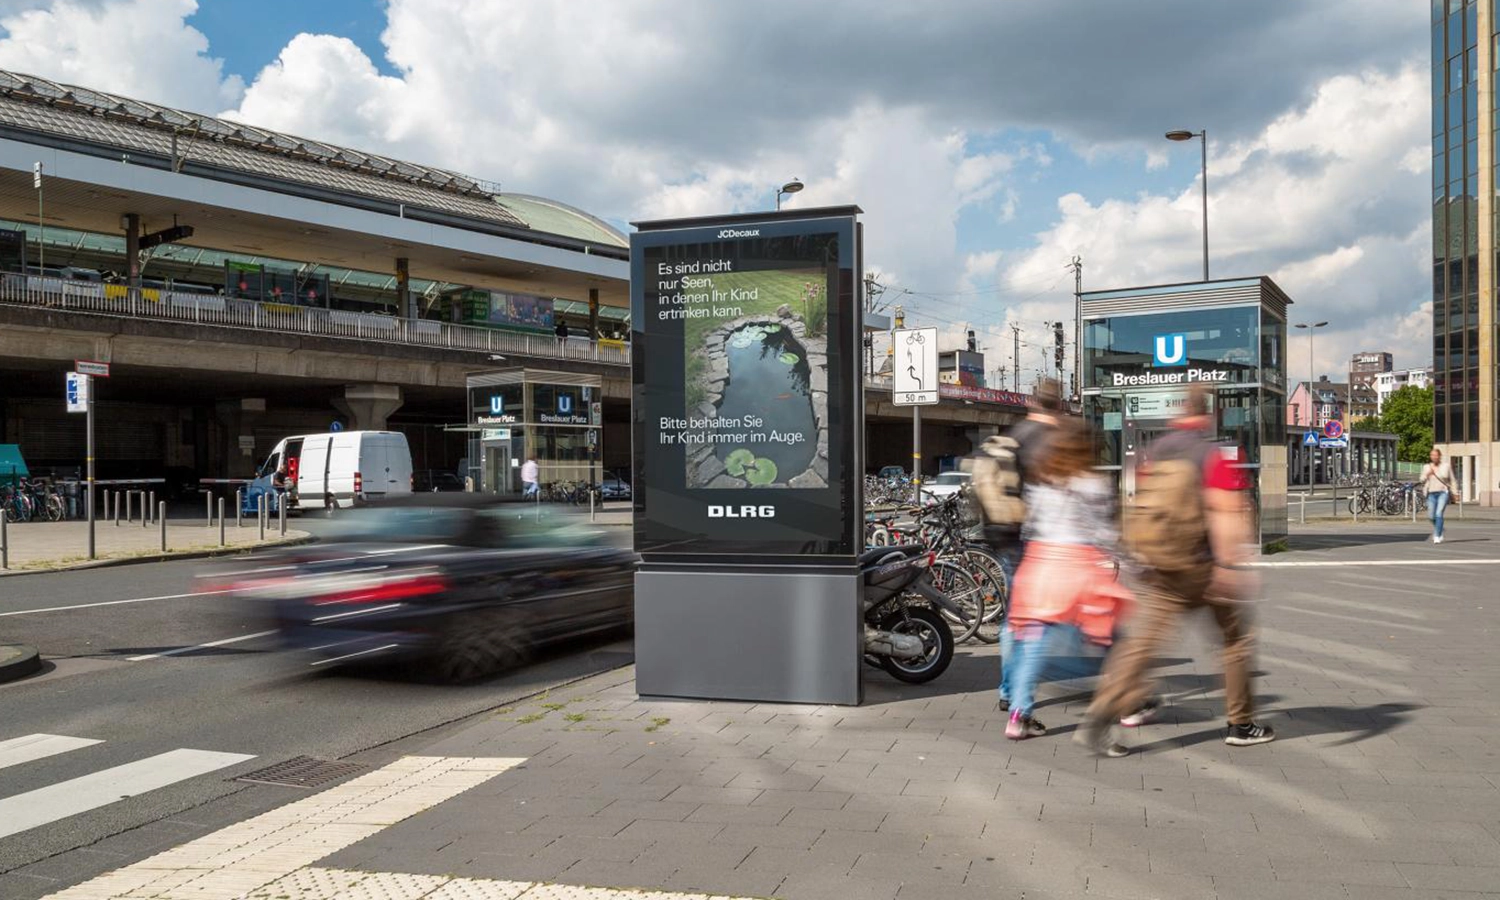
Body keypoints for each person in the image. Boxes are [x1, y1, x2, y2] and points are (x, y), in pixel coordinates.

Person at [1076, 384, 1274, 757]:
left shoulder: (1158, 449)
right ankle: (1241, 724)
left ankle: (1099, 717)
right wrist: (1230, 565)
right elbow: (1223, 511)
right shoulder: (1211, 454)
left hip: (1159, 563)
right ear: (1210, 414)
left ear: (1179, 412)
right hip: (1201, 567)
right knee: (1235, 640)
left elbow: (1140, 503)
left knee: (1141, 645)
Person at [1002, 417, 1132, 740]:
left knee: (1033, 639)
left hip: (1040, 564)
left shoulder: (1041, 480)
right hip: (1078, 568)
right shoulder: (1093, 484)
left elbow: (1030, 525)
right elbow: (1103, 533)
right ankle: (1129, 702)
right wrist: (1128, 560)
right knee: (1111, 637)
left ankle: (1019, 715)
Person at [972, 378, 1063, 714]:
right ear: (1060, 405)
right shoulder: (1050, 440)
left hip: (1003, 536)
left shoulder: (1012, 435)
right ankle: (1020, 696)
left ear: (1032, 403)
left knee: (1014, 617)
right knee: (1042, 620)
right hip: (1038, 540)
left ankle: (1008, 689)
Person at [1419, 448, 1457, 543]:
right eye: (1432, 455)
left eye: (1436, 455)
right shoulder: (1426, 467)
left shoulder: (1446, 466)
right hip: (1431, 493)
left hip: (1443, 492)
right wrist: (1427, 475)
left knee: (1439, 514)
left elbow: (1452, 480)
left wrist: (1455, 493)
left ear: (1439, 456)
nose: (1434, 457)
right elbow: (1421, 480)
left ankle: (1437, 535)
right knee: (1431, 516)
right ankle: (1440, 528)